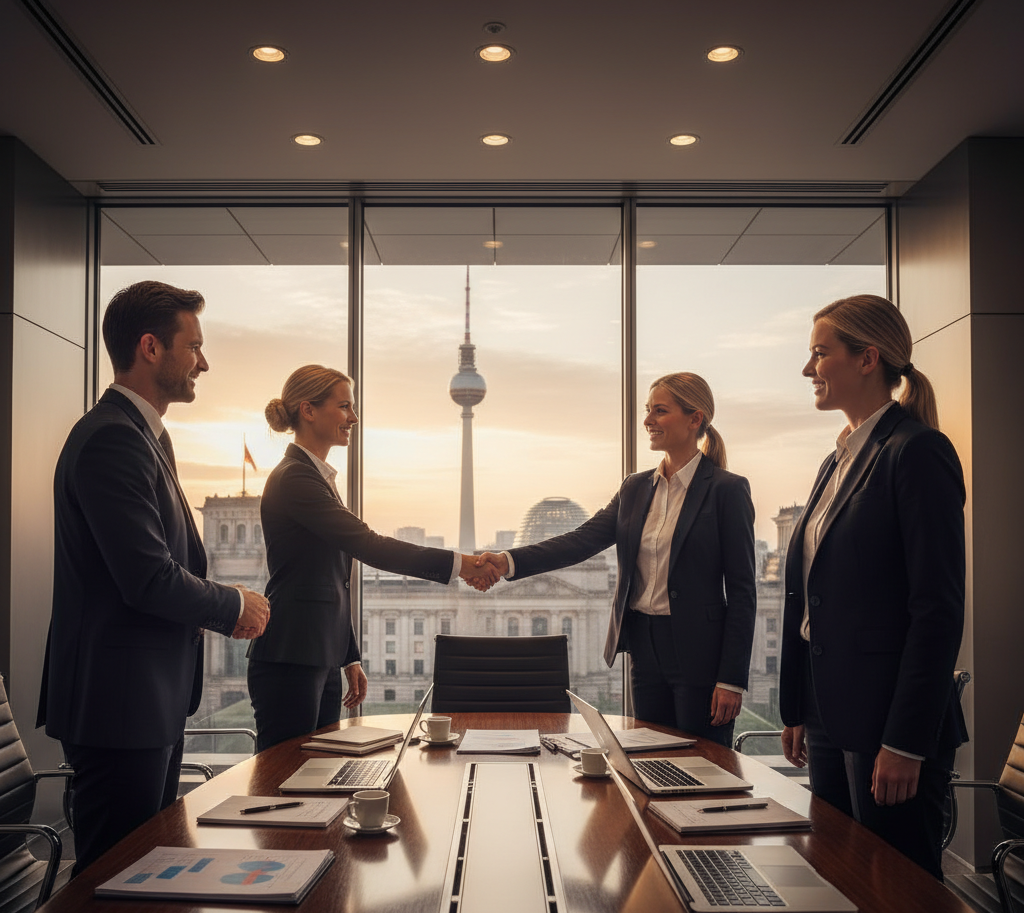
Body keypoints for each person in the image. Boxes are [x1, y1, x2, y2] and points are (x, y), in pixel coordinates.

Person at [38, 280, 271, 872]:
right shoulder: (114, 439)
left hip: (144, 701)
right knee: (114, 887)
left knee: (144, 875)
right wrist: (232, 605)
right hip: (121, 704)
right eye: (194, 347)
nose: (204, 361)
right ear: (150, 347)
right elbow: (145, 577)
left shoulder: (141, 436)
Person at [779, 294, 967, 879]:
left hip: (889, 720)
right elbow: (812, 595)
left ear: (868, 359)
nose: (809, 369)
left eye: (819, 353)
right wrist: (796, 707)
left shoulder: (916, 452)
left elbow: (936, 608)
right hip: (829, 713)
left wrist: (907, 741)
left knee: (899, 897)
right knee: (838, 880)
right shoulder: (836, 461)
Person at [475, 373, 755, 745]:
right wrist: (509, 561)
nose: (648, 421)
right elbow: (582, 540)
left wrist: (731, 679)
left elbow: (742, 591)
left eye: (660, 411)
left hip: (700, 653)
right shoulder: (636, 487)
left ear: (695, 419)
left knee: (704, 764)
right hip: (644, 646)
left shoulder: (727, 490)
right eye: (647, 411)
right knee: (649, 756)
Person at [246, 365, 499, 751]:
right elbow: (368, 544)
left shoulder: (314, 476)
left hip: (315, 653)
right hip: (290, 655)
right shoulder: (295, 478)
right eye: (344, 406)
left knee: (318, 776)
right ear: (308, 410)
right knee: (282, 780)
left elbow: (331, 582)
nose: (354, 417)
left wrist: (348, 656)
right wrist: (462, 564)